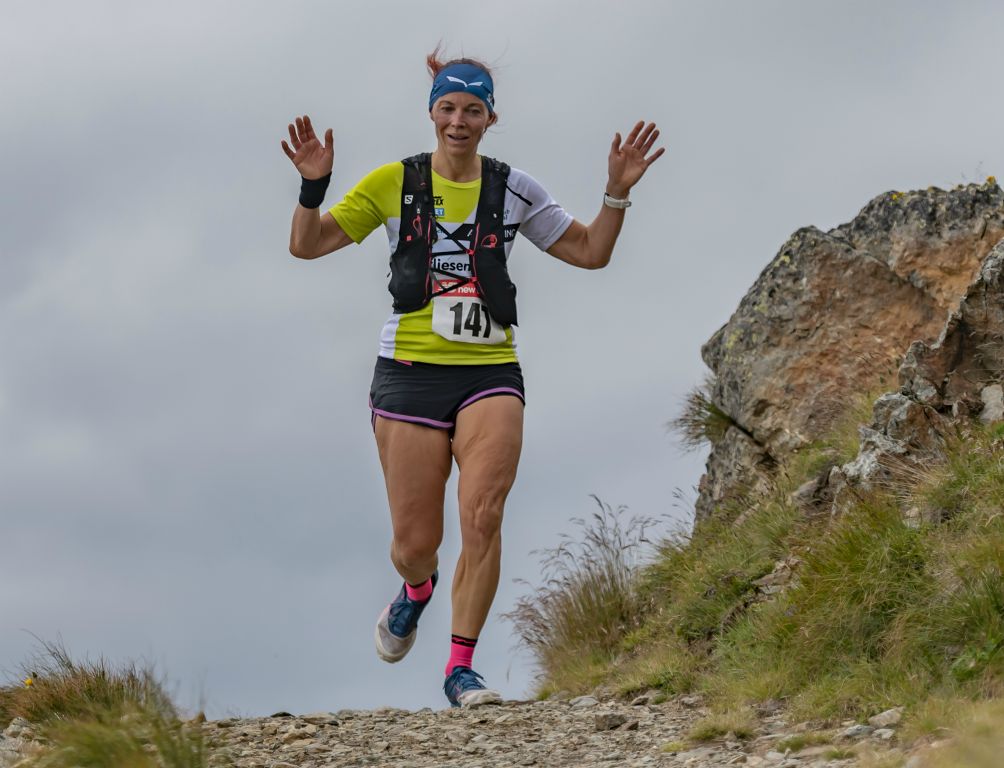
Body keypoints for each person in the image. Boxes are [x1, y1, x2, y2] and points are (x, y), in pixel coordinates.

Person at [281, 48, 663, 708]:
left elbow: (591, 251)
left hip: (489, 371)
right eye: (449, 108)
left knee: (483, 513)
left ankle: (461, 669)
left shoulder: (516, 190)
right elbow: (306, 244)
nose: (459, 121)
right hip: (409, 375)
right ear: (431, 113)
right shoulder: (391, 183)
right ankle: (416, 589)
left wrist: (617, 192)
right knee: (415, 545)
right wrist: (314, 186)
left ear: (491, 118)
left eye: (473, 110)